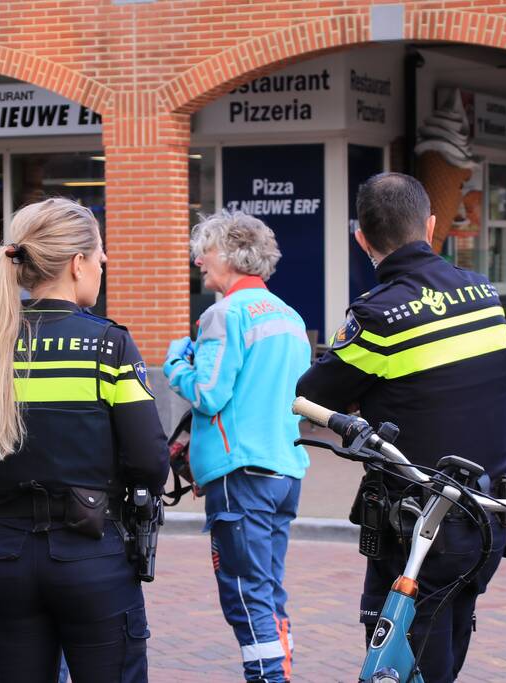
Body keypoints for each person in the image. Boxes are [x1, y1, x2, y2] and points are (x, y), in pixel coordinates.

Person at [0, 197, 169, 683]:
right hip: (92, 556)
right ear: (78, 264)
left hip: (2, 562)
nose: (104, 266)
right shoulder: (108, 346)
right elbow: (150, 463)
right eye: (100, 256)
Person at [297, 172, 506, 683]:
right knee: (449, 648)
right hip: (491, 519)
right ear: (432, 225)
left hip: (420, 529)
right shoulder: (485, 293)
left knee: (401, 662)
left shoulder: (378, 316)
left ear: (361, 239)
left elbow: (312, 394)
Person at [163, 210, 311, 683]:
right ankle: (280, 670)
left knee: (244, 593)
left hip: (240, 476)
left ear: (228, 254)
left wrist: (174, 363)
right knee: (268, 588)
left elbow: (209, 392)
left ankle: (268, 678)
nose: (197, 260)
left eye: (204, 250)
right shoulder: (288, 315)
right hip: (283, 470)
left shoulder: (224, 313)